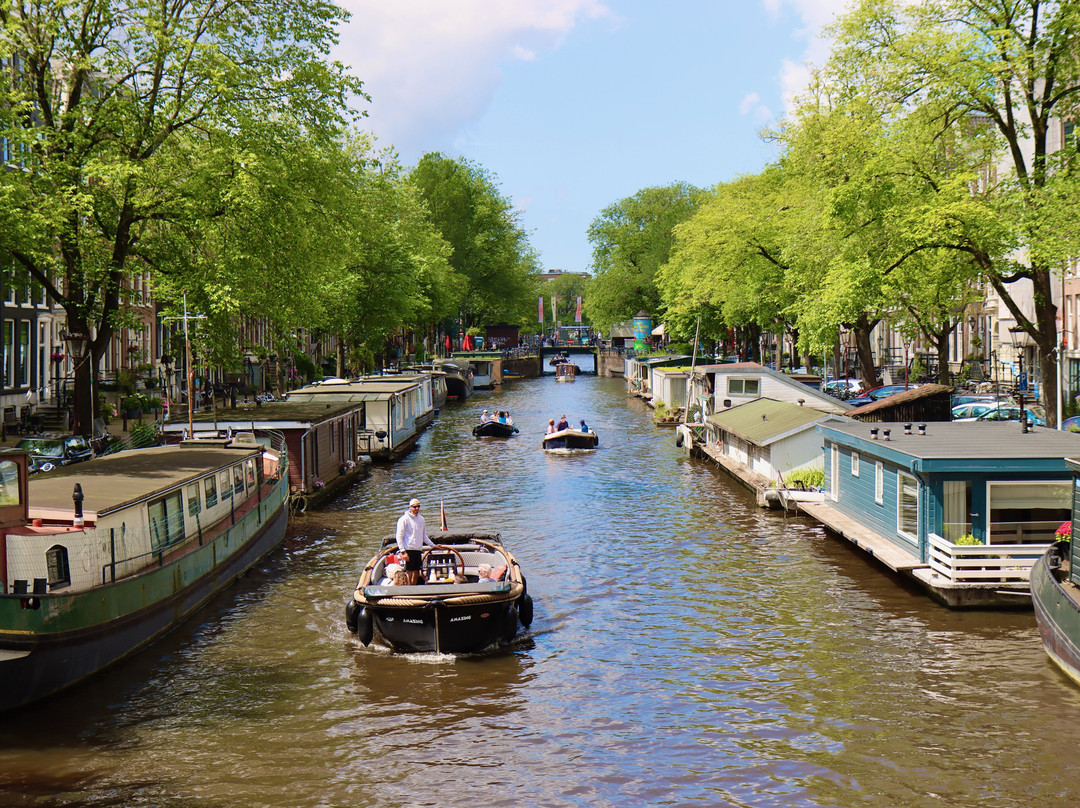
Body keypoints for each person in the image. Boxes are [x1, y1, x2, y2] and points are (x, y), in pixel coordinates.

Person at [396, 498, 435, 584]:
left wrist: (434, 546)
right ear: (410, 507)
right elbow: (399, 536)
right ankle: (409, 589)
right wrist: (403, 551)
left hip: (418, 549)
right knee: (409, 572)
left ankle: (414, 588)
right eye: (414, 507)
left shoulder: (421, 519)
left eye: (418, 506)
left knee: (416, 572)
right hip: (408, 549)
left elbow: (424, 536)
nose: (417, 509)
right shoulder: (403, 519)